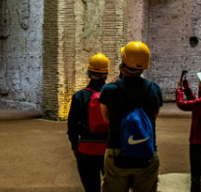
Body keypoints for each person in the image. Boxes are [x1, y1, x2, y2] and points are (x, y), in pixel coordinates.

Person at [99, 41, 163, 192]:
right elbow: (154, 116)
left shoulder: (110, 89)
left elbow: (105, 118)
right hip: (147, 152)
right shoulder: (154, 90)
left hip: (117, 152)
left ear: (123, 64)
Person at [67, 53, 111, 192]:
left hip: (85, 149)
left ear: (88, 73)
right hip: (109, 149)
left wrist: (75, 145)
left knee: (91, 189)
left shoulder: (79, 96)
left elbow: (72, 125)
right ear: (106, 74)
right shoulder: (112, 94)